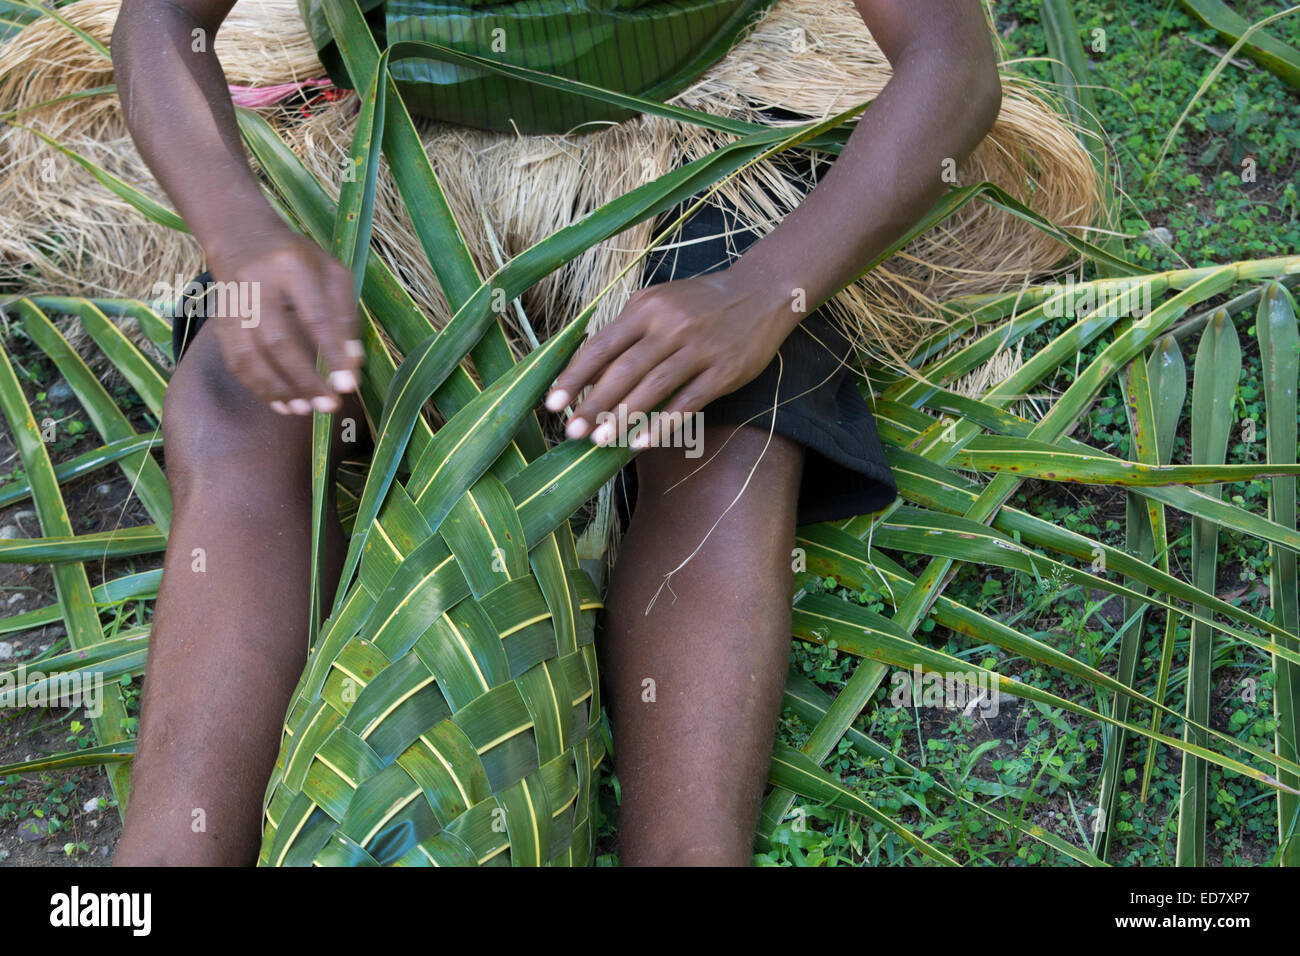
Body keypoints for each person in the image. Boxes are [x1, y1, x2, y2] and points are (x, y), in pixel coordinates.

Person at [109, 0, 1002, 865]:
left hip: (688, 134)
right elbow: (162, 20)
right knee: (238, 406)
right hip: (392, 136)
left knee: (720, 432)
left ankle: (689, 851)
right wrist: (241, 239)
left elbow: (951, 63)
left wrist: (763, 293)